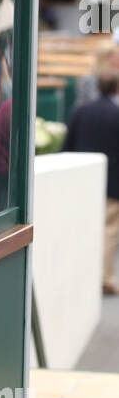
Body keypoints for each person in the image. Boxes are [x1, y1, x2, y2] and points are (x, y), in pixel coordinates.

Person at [63, 60, 119, 295]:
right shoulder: (116, 115)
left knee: (84, 229)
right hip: (113, 183)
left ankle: (84, 276)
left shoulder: (80, 112)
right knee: (109, 230)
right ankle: (103, 276)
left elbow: (67, 147)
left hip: (82, 183)